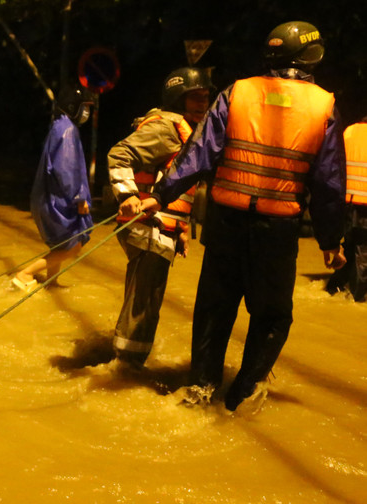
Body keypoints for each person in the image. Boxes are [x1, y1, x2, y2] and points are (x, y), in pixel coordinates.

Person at [154, 21, 347, 412]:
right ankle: (240, 398)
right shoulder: (323, 106)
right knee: (272, 317)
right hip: (277, 230)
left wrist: (159, 195)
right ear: (312, 57)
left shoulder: (236, 93)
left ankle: (201, 389)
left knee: (214, 309)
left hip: (225, 222)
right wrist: (330, 241)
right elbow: (328, 184)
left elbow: (198, 154)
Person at [106, 66, 213, 367]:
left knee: (143, 303)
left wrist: (181, 229)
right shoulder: (167, 127)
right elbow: (119, 154)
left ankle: (124, 362)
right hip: (147, 227)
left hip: (160, 228)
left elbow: (179, 187)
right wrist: (127, 195)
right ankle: (124, 370)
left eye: (205, 97)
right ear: (178, 98)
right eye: (195, 97)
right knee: (142, 307)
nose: (203, 103)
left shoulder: (186, 129)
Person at [11, 85, 95, 292]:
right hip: (57, 201)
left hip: (46, 199)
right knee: (73, 246)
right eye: (84, 107)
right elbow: (66, 169)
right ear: (73, 106)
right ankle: (25, 274)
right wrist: (79, 198)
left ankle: (51, 283)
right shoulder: (67, 130)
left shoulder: (58, 126)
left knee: (61, 244)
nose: (86, 112)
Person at [325, 116, 367, 302]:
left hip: (348, 201)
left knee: (351, 245)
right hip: (365, 204)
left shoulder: (349, 131)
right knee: (362, 252)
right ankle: (357, 298)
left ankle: (334, 288)